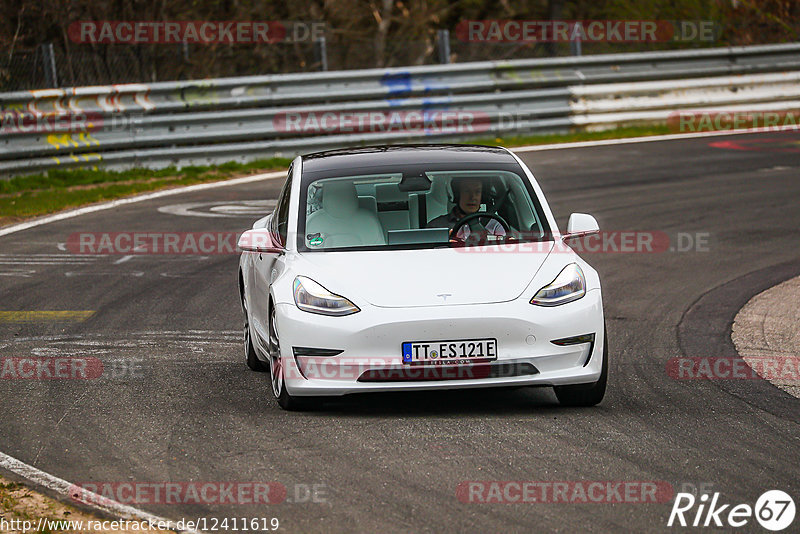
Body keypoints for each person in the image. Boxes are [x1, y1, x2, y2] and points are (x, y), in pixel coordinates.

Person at [427, 177, 506, 241]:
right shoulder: (436, 227)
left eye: (477, 192)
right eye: (467, 191)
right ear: (457, 195)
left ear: (482, 196)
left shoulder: (495, 225)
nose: (473, 197)